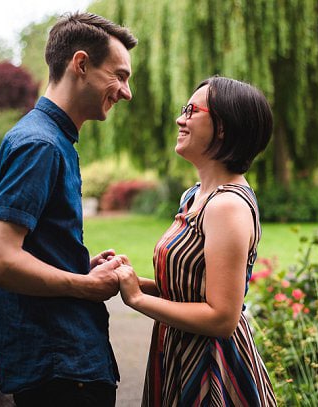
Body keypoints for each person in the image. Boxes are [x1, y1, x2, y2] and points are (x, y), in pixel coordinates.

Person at [0, 12, 137, 406]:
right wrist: (86, 286)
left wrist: (79, 267)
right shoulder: (40, 144)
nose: (126, 91)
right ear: (80, 64)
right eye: (119, 74)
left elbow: (28, 248)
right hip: (61, 371)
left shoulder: (53, 139)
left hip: (65, 364)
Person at [113, 76, 277, 406]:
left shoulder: (226, 206)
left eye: (191, 110)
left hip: (210, 367)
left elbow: (221, 318)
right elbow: (191, 291)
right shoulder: (195, 197)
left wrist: (137, 300)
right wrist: (132, 281)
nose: (180, 118)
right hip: (178, 351)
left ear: (223, 127)